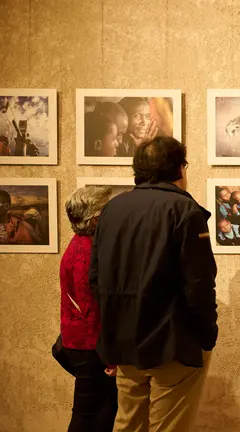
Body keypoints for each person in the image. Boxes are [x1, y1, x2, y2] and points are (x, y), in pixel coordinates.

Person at [89, 136, 218, 431]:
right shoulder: (185, 211)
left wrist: (107, 338)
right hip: (172, 342)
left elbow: (95, 279)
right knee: (169, 426)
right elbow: (198, 283)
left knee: (128, 423)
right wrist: (207, 335)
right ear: (179, 169)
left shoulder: (112, 209)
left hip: (123, 341)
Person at [60, 186, 118, 431]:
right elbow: (91, 308)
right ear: (96, 218)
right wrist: (109, 356)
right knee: (90, 413)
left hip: (84, 342)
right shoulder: (85, 253)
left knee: (100, 409)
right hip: (87, 345)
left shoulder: (84, 243)